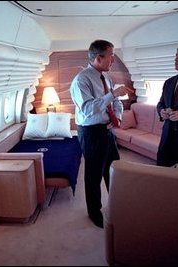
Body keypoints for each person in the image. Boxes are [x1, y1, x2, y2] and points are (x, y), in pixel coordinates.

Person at [70, 40, 133, 228]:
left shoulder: (106, 78)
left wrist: (119, 117)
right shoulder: (81, 80)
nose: (113, 59)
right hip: (91, 132)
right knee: (94, 174)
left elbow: (116, 103)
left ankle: (116, 204)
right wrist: (113, 95)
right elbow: (88, 109)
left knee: (113, 170)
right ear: (99, 57)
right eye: (111, 55)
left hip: (108, 131)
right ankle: (94, 212)